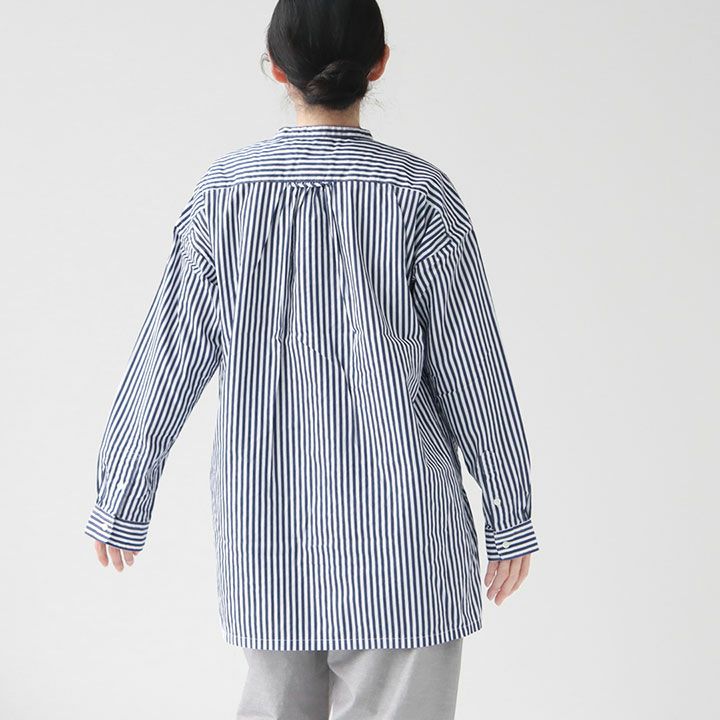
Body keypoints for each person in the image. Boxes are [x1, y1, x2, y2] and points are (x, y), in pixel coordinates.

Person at [84, 1, 540, 717]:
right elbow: (473, 370)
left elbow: (167, 356)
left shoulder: (224, 196)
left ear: (275, 69)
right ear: (378, 63)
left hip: (266, 532)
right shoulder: (419, 196)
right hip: (406, 539)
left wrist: (122, 493)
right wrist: (510, 512)